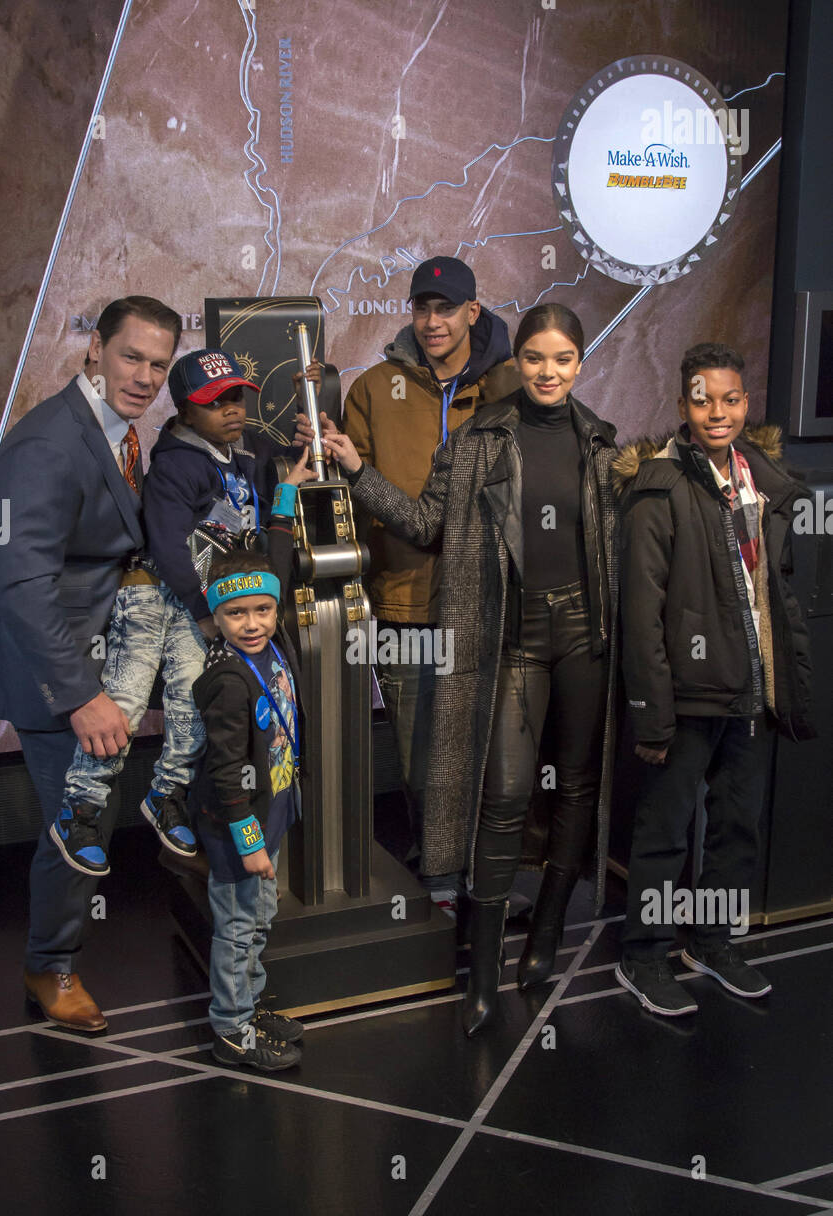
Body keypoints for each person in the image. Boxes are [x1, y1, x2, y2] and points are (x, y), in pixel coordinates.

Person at [303, 303, 621, 1035]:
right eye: (536, 358)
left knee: (577, 790)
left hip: (585, 635)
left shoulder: (602, 444)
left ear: (580, 363)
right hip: (509, 638)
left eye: (562, 359)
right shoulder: (478, 438)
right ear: (520, 362)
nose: (547, 372)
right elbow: (423, 525)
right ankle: (480, 973)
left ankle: (543, 938)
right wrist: (356, 470)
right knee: (504, 796)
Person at [0, 295, 181, 1032]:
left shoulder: (119, 432)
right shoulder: (46, 443)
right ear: (96, 348)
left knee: (94, 808)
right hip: (55, 670)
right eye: (132, 357)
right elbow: (24, 584)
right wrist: (79, 695)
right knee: (82, 815)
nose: (145, 375)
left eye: (159, 364)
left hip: (104, 655)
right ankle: (49, 967)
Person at [48, 347, 314, 877]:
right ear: (186, 410)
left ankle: (166, 795)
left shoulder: (248, 447)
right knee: (123, 699)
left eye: (237, 397)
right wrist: (204, 611)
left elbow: (278, 463)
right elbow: (168, 548)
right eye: (217, 403)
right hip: (156, 593)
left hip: (209, 603)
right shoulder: (175, 463)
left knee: (195, 699)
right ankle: (81, 810)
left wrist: (306, 433)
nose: (233, 410)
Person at [613, 343, 815, 1015]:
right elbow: (641, 612)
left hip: (752, 691)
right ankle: (643, 955)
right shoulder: (660, 485)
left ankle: (715, 943)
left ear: (745, 404)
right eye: (703, 400)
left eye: (729, 399)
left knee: (735, 828)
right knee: (665, 830)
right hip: (687, 693)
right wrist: (652, 713)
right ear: (681, 407)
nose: (717, 412)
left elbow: (772, 595)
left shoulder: (763, 479)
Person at [341, 256, 517, 915]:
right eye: (423, 307)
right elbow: (353, 501)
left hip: (490, 606)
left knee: (490, 751)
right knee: (421, 756)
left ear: (474, 311)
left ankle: (482, 878)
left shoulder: (510, 388)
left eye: (447, 308)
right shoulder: (372, 388)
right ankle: (440, 878)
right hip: (404, 604)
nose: (433, 320)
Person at [192, 549, 306, 1071]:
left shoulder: (271, 646)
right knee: (238, 929)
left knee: (259, 920)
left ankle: (250, 1008)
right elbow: (224, 769)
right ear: (216, 617)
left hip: (270, 812)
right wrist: (250, 841)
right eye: (236, 613)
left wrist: (285, 496)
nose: (252, 622)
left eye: (263, 609)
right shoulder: (228, 678)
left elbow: (275, 567)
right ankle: (232, 1029)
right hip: (240, 828)